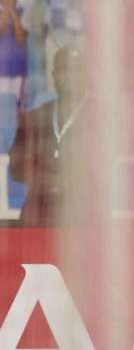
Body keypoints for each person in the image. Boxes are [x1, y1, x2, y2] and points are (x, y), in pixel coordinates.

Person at [9, 46, 86, 226]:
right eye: (63, 70)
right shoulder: (36, 117)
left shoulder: (100, 119)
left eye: (75, 70)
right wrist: (51, 181)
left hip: (80, 219)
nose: (69, 77)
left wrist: (52, 178)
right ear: (54, 75)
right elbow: (16, 167)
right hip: (38, 214)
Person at [0, 0, 28, 100]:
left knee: (15, 107)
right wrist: (6, 11)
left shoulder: (24, 11)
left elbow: (21, 39)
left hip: (18, 70)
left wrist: (14, 13)